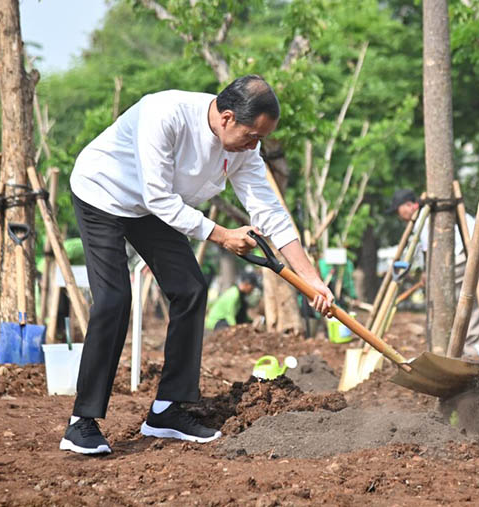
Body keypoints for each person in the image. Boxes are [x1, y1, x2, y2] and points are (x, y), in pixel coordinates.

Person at [61, 75, 334, 455]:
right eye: (252, 136)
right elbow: (158, 198)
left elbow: (270, 212)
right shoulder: (165, 114)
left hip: (155, 207)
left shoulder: (244, 149)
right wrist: (222, 234)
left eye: (261, 139)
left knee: (190, 289)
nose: (255, 146)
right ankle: (81, 422)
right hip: (103, 194)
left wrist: (311, 279)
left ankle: (167, 410)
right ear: (226, 118)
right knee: (113, 301)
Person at [388, 189, 479, 357]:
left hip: (469, 249)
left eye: (398, 210)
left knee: (445, 288)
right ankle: (473, 350)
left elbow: (429, 251)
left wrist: (427, 274)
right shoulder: (427, 212)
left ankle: (452, 344)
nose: (398, 215)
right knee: (477, 299)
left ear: (409, 205)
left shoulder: (424, 215)